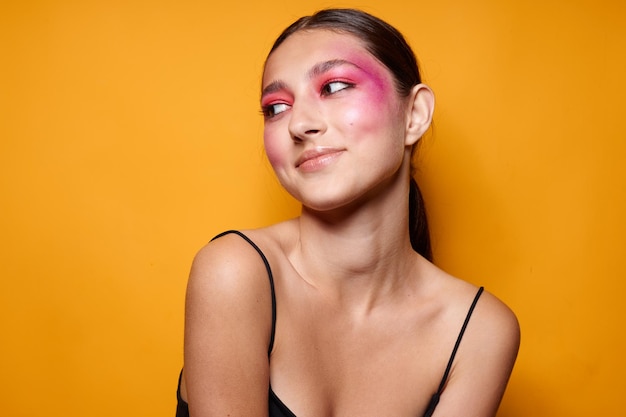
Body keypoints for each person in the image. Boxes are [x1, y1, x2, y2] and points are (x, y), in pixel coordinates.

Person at [176, 8, 520, 417]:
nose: (299, 124)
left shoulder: (478, 332)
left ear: (414, 114)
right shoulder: (235, 273)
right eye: (276, 107)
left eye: (335, 86)